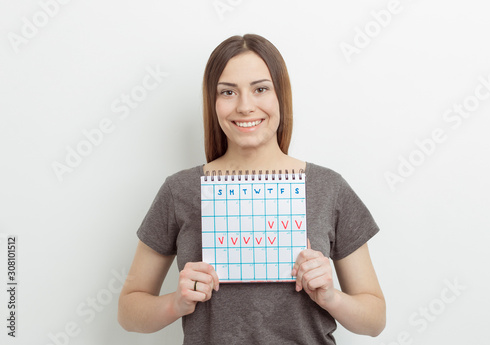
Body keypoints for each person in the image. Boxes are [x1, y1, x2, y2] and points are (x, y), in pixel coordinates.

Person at [118, 34, 386, 344]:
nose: (245, 106)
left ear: (280, 96)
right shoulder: (180, 190)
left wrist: (330, 296)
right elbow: (128, 311)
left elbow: (374, 320)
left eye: (260, 89)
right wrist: (175, 302)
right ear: (212, 101)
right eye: (228, 92)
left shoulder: (329, 187)